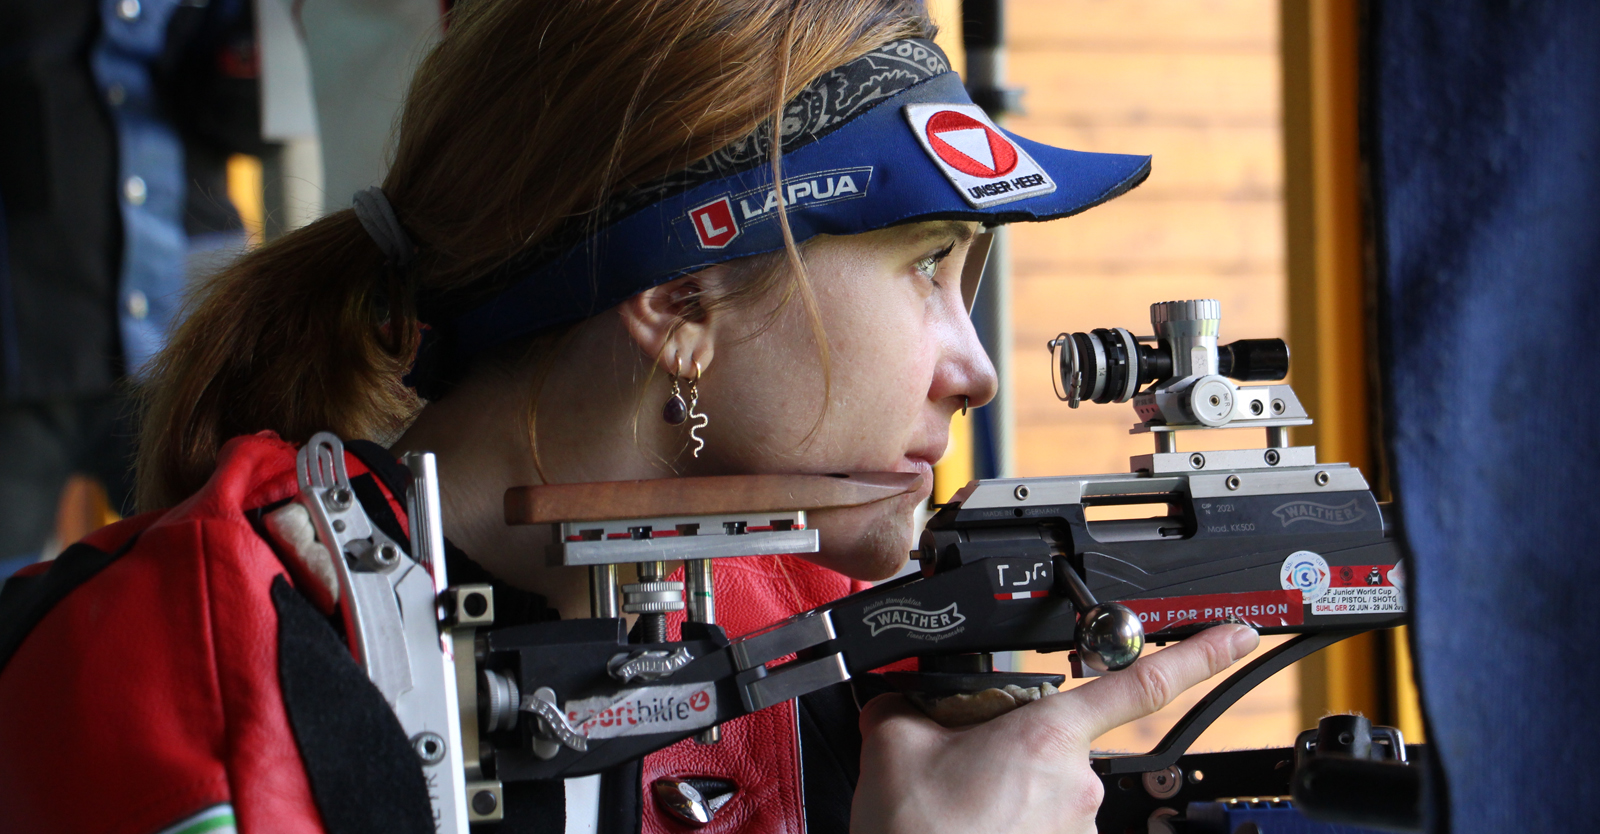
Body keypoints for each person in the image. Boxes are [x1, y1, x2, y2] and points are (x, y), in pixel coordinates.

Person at [0, 1, 1259, 832]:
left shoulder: (831, 639)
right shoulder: (181, 676)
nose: (971, 369)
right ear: (680, 296)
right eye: (926, 265)